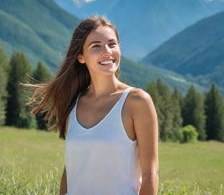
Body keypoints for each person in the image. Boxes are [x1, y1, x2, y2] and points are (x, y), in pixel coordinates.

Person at [27, 16, 159, 195]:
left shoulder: (137, 101)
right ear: (81, 56)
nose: (107, 51)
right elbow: (70, 171)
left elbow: (150, 174)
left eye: (112, 44)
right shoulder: (74, 102)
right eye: (96, 46)